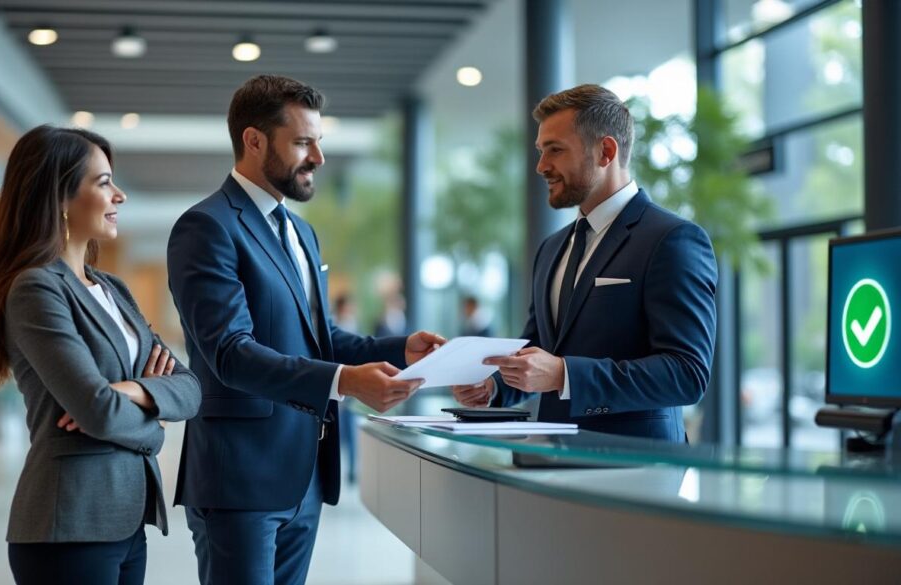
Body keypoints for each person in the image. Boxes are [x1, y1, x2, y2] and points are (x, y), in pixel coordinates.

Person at [167, 74, 445, 585]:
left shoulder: (300, 232)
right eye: (301, 142)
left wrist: (401, 349)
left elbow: (323, 340)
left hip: (305, 477)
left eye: (319, 141)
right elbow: (230, 352)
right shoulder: (207, 227)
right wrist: (344, 382)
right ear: (253, 141)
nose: (317, 156)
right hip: (240, 481)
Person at [0, 125, 201, 585]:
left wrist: (133, 389)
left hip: (127, 520)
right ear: (59, 196)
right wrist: (154, 429)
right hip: (69, 525)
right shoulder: (36, 288)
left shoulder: (112, 289)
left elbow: (191, 388)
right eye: (103, 183)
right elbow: (95, 410)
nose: (119, 195)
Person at [453, 84, 717, 442]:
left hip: (639, 469)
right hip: (550, 460)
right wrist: (493, 386)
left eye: (555, 150)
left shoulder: (672, 240)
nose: (541, 166)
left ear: (606, 151)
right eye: (540, 151)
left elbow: (687, 374)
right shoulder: (551, 248)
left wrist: (566, 375)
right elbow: (539, 349)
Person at [333, 293, 359, 484]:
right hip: (335, 382)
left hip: (355, 385)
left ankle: (351, 470)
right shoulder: (332, 325)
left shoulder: (354, 325)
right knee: (336, 430)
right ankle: (336, 468)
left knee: (351, 430)